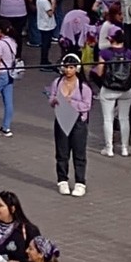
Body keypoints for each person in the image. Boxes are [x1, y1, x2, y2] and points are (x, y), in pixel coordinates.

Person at [48, 55, 93, 197]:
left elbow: (87, 105)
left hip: (78, 122)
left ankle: (80, 182)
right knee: (62, 153)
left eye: (71, 67)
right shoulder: (57, 82)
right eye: (66, 67)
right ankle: (62, 180)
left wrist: (70, 102)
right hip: (62, 119)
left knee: (79, 153)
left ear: (77, 69)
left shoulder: (83, 87)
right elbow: (51, 97)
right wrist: (54, 100)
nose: (68, 70)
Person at [92, 28, 131, 157]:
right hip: (126, 90)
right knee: (124, 118)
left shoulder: (105, 53)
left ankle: (109, 148)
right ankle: (125, 148)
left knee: (108, 119)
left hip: (109, 89)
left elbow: (99, 72)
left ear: (111, 39)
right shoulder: (129, 53)